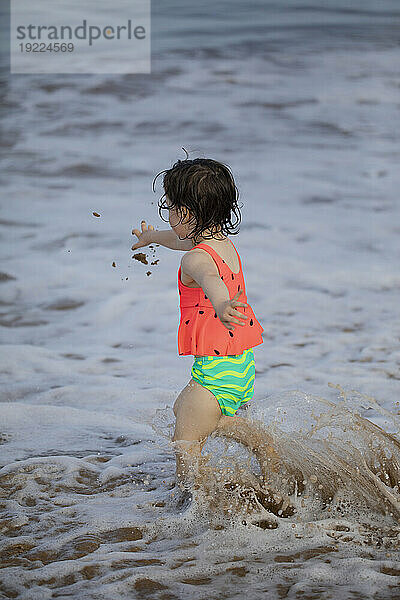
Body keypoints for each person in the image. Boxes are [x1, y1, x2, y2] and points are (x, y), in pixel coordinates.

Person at [132, 156, 281, 494]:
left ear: (185, 213)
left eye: (169, 208)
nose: (167, 214)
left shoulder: (195, 259)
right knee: (190, 411)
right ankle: (262, 446)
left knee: (184, 442)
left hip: (215, 370)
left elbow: (209, 278)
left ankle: (192, 507)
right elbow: (181, 240)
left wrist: (221, 303)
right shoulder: (220, 245)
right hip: (238, 366)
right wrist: (152, 237)